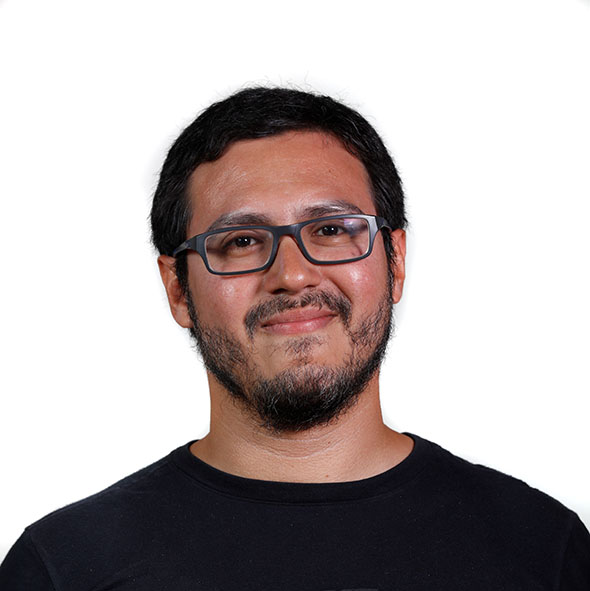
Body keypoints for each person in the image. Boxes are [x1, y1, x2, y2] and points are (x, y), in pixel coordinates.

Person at [1, 86, 588, 590]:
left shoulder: (542, 549)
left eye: (331, 229)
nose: (294, 274)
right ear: (178, 289)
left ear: (396, 261)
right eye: (241, 242)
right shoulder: (64, 567)